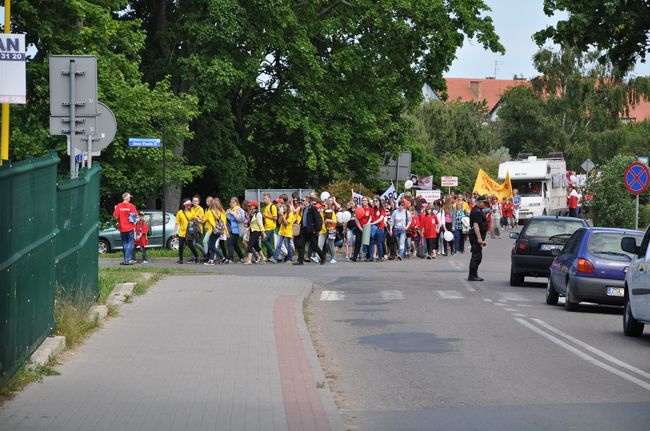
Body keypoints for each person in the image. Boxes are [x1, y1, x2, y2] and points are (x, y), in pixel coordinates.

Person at [295, 197, 325, 265]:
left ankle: (322, 258)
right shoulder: (305, 209)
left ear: (307, 201)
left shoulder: (313, 208)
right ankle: (300, 261)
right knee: (301, 245)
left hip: (311, 230)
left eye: (303, 200)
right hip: (304, 230)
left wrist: (317, 229)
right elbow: (304, 219)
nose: (302, 201)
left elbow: (318, 219)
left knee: (314, 245)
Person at [113, 192, 138, 265]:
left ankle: (126, 259)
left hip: (122, 228)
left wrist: (115, 209)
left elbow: (115, 216)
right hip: (130, 228)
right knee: (129, 244)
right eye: (129, 197)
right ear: (127, 198)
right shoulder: (131, 206)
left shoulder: (118, 206)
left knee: (124, 244)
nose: (130, 199)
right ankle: (127, 260)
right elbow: (135, 215)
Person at [468, 195, 489, 281]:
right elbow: (476, 225)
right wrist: (479, 239)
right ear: (480, 202)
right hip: (475, 237)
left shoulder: (478, 210)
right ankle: (472, 275)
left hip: (476, 236)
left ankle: (474, 274)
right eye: (484, 203)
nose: (485, 205)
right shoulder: (477, 211)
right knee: (476, 256)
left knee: (477, 256)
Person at [173, 199, 200, 264]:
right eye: (188, 205)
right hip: (182, 232)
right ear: (184, 205)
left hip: (189, 232)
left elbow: (195, 221)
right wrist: (174, 231)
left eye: (190, 205)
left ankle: (197, 256)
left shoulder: (192, 212)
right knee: (181, 246)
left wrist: (193, 223)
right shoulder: (180, 212)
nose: (190, 206)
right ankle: (181, 260)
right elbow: (177, 223)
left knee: (190, 245)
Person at [203, 200, 228, 265]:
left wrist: (198, 218)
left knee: (211, 246)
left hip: (213, 231)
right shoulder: (220, 213)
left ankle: (223, 258)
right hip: (219, 231)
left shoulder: (209, 212)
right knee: (212, 245)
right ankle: (211, 260)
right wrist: (226, 232)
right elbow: (224, 223)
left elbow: (203, 221)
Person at [226, 197, 246, 262]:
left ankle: (230, 258)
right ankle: (241, 257)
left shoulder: (239, 210)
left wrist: (234, 214)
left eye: (233, 202)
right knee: (235, 245)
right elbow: (225, 218)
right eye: (231, 202)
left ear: (237, 203)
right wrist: (226, 213)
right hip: (230, 229)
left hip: (236, 230)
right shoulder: (229, 210)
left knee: (229, 243)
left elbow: (241, 219)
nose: (231, 203)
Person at [369, 196, 386, 261]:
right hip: (373, 227)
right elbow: (371, 218)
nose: (375, 202)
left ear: (379, 201)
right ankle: (371, 257)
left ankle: (380, 257)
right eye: (374, 201)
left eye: (376, 201)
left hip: (380, 227)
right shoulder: (372, 209)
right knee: (371, 241)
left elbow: (381, 219)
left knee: (379, 242)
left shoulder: (382, 209)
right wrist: (368, 223)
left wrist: (372, 223)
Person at [261, 193, 278, 261]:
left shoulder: (272, 206)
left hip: (271, 227)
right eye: (264, 199)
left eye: (265, 198)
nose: (264, 200)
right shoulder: (266, 207)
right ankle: (270, 256)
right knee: (269, 242)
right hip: (266, 227)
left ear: (269, 199)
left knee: (264, 240)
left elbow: (275, 218)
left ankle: (274, 255)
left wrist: (266, 216)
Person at [191, 195, 208, 260]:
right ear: (192, 202)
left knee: (194, 243)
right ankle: (194, 258)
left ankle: (204, 254)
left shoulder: (200, 209)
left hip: (198, 229)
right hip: (192, 229)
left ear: (198, 202)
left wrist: (196, 219)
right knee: (192, 243)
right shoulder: (191, 209)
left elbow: (203, 221)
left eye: (196, 201)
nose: (195, 202)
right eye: (194, 201)